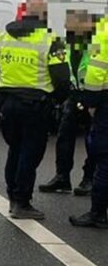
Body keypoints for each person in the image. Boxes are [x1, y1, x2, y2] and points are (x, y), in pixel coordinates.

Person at [0, 0, 71, 220]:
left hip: (9, 103)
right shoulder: (50, 40)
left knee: (15, 149)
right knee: (30, 153)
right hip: (36, 104)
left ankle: (13, 196)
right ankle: (22, 202)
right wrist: (56, 101)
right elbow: (62, 79)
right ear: (44, 15)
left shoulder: (4, 37)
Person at [39, 10, 99, 195]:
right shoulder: (64, 44)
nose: (69, 29)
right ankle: (62, 177)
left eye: (73, 26)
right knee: (64, 138)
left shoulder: (97, 46)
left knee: (93, 141)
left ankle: (89, 178)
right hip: (73, 96)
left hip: (93, 96)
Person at [70, 15, 108, 228]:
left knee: (104, 159)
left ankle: (98, 213)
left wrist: (91, 103)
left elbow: (95, 69)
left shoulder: (103, 31)